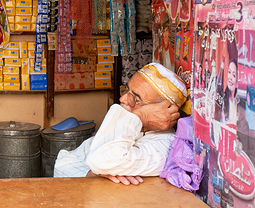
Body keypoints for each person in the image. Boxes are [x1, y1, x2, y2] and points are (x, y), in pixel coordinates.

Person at [54, 62, 189, 185]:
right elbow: (62, 163)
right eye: (126, 90)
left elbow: (100, 160)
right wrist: (90, 174)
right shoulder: (129, 128)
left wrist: (140, 116)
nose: (122, 98)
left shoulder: (164, 147)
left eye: (135, 98)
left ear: (162, 111)